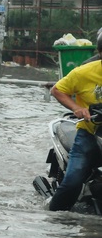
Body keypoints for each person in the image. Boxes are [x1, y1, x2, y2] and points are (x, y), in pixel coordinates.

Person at [48, 29, 102, 212]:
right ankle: (53, 218)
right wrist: (77, 108)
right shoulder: (84, 72)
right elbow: (57, 90)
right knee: (73, 181)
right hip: (90, 134)